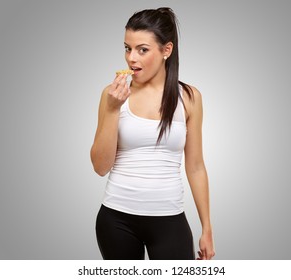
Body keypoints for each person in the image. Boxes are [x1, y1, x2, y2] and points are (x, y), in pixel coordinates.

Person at [90, 7, 215, 260]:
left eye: (142, 50)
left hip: (169, 219)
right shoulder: (111, 95)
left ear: (166, 51)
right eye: (127, 48)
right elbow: (100, 167)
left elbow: (196, 167)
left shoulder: (189, 98)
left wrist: (207, 227)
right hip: (116, 219)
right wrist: (113, 110)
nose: (131, 58)